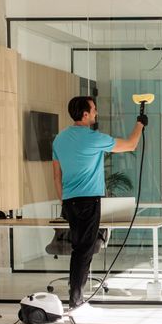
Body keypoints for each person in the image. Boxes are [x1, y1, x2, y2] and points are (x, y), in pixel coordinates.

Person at [52, 96, 146, 309]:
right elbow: (131, 144)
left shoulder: (59, 139)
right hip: (88, 201)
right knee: (83, 251)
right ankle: (76, 300)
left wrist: (64, 201)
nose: (96, 113)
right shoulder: (93, 138)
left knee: (80, 248)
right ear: (84, 114)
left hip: (70, 201)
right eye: (93, 110)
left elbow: (56, 177)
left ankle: (76, 295)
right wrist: (140, 124)